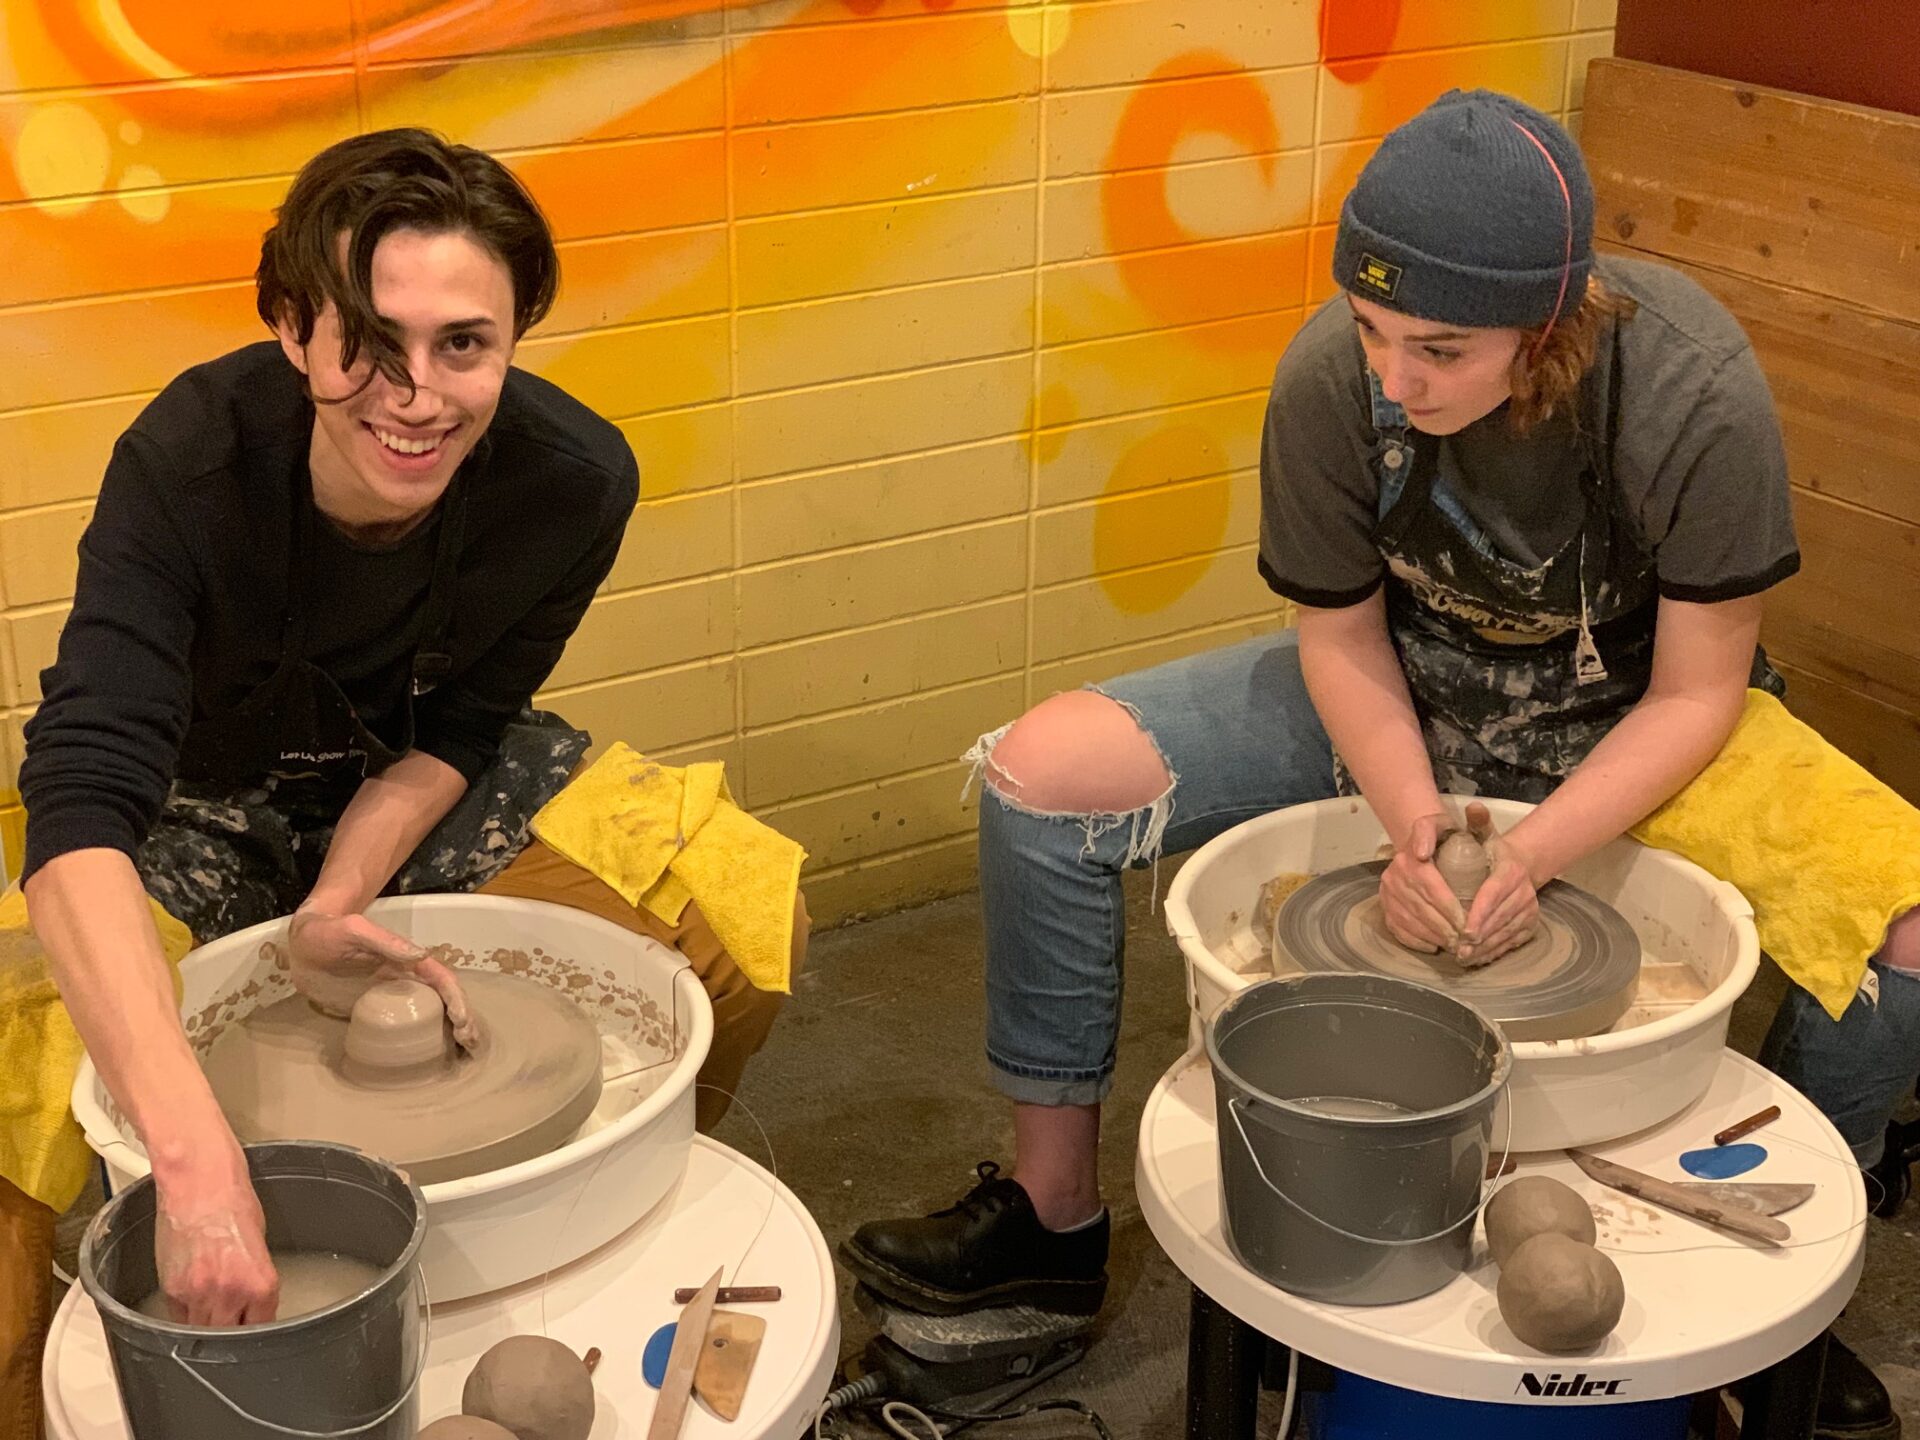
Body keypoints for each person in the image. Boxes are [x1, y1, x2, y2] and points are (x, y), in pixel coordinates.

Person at [842, 91, 1918, 1439]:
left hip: (1633, 713)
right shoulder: (1328, 380)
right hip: (1405, 685)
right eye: (1372, 330)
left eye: (1441, 349)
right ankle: (1050, 1227)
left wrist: (1530, 852)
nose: (1394, 380)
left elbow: (1703, 692)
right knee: (1045, 774)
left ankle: (1790, 1278)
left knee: (1911, 930)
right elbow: (1339, 633)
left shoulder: (1692, 393)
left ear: (1554, 326)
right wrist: (1414, 826)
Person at [4, 127, 803, 1369]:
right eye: (368, 345)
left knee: (729, 912)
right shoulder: (186, 464)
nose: (415, 396)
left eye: (462, 345)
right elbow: (74, 810)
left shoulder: (573, 481)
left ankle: (575, 1241)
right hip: (198, 793)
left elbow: (465, 730)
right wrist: (197, 1158)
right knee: (21, 1093)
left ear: (514, 338)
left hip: (403, 774)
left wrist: (337, 901)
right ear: (291, 326)